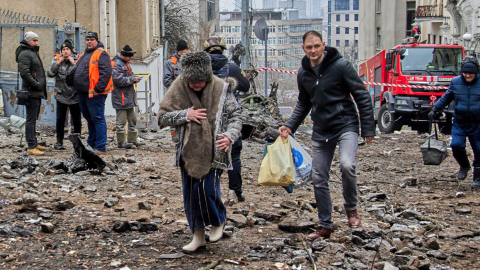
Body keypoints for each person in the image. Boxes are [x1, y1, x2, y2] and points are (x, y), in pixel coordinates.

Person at [278, 31, 375, 240]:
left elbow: (362, 96)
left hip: (346, 124)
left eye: (316, 46)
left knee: (347, 164)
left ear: (324, 45)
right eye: (309, 47)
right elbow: (304, 103)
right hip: (321, 130)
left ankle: (351, 209)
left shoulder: (341, 66)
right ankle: (325, 225)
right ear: (303, 49)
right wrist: (289, 126)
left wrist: (368, 128)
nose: (313, 51)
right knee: (318, 176)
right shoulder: (303, 73)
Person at [158, 52, 242, 253]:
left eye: (200, 81)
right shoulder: (178, 86)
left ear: (208, 77)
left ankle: (218, 220)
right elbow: (162, 117)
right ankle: (197, 235)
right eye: (192, 82)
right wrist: (186, 114)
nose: (196, 85)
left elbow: (235, 116)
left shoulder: (222, 88)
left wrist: (230, 136)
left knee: (207, 189)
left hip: (215, 149)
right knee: (190, 194)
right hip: (188, 150)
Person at [204, 36, 250, 202]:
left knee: (208, 154)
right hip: (230, 114)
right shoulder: (232, 67)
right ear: (223, 50)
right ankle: (235, 191)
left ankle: (210, 192)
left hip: (208, 115)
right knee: (234, 153)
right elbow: (246, 87)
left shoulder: (201, 68)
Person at [430, 58, 480, 189]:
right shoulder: (455, 82)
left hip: (478, 123)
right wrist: (435, 109)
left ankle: (477, 178)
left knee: (479, 150)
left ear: (476, 72)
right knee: (456, 145)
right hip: (460, 121)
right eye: (465, 73)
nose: (468, 75)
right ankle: (464, 165)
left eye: (471, 73)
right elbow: (447, 97)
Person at [72, 32, 113, 155]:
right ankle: (91, 143)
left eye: (91, 40)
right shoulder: (85, 54)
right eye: (87, 39)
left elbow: (106, 73)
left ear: (96, 41)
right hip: (83, 93)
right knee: (89, 119)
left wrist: (98, 89)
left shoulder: (101, 54)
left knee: (97, 118)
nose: (89, 42)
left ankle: (100, 146)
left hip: (95, 94)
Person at [15, 31, 47, 156]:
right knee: (30, 120)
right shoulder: (25, 54)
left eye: (37, 40)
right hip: (31, 91)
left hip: (35, 91)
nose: (36, 42)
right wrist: (36, 84)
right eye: (34, 40)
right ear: (28, 41)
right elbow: (24, 73)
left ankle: (33, 142)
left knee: (33, 119)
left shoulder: (32, 52)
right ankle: (31, 145)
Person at [47, 39, 82, 150]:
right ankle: (59, 141)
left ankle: (77, 144)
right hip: (61, 95)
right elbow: (50, 73)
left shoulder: (78, 60)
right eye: (63, 49)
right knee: (60, 119)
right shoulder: (57, 60)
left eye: (67, 49)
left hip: (75, 95)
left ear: (71, 51)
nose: (65, 52)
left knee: (76, 120)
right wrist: (58, 63)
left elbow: (80, 75)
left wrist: (73, 63)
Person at [111, 45, 146, 149]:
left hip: (127, 97)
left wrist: (132, 78)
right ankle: (121, 142)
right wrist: (133, 79)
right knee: (121, 121)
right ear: (125, 56)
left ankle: (132, 140)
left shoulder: (124, 64)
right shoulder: (118, 65)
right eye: (130, 56)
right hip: (121, 97)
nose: (131, 58)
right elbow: (119, 80)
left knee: (132, 120)